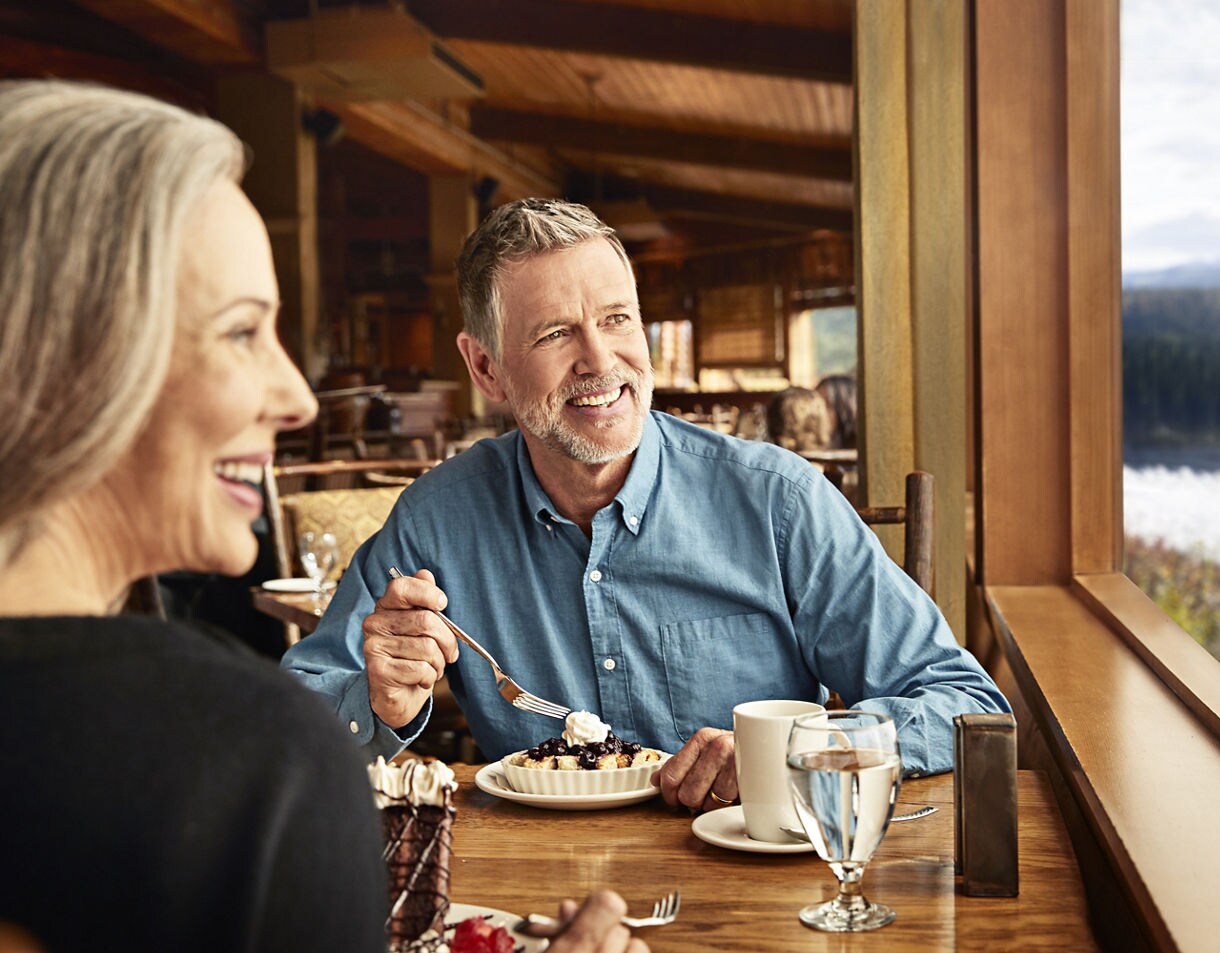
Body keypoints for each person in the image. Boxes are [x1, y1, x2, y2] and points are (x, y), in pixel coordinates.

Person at [0, 83, 644, 953]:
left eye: (617, 318)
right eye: (240, 332)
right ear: (73, 363)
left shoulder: (778, 498)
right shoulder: (249, 766)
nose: (298, 396)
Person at [282, 197, 1009, 813]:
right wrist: (378, 705)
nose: (602, 361)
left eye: (619, 319)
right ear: (485, 368)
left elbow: (966, 703)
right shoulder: (438, 520)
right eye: (557, 332)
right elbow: (294, 718)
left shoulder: (778, 500)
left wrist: (799, 750)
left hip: (755, 889)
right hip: (544, 903)